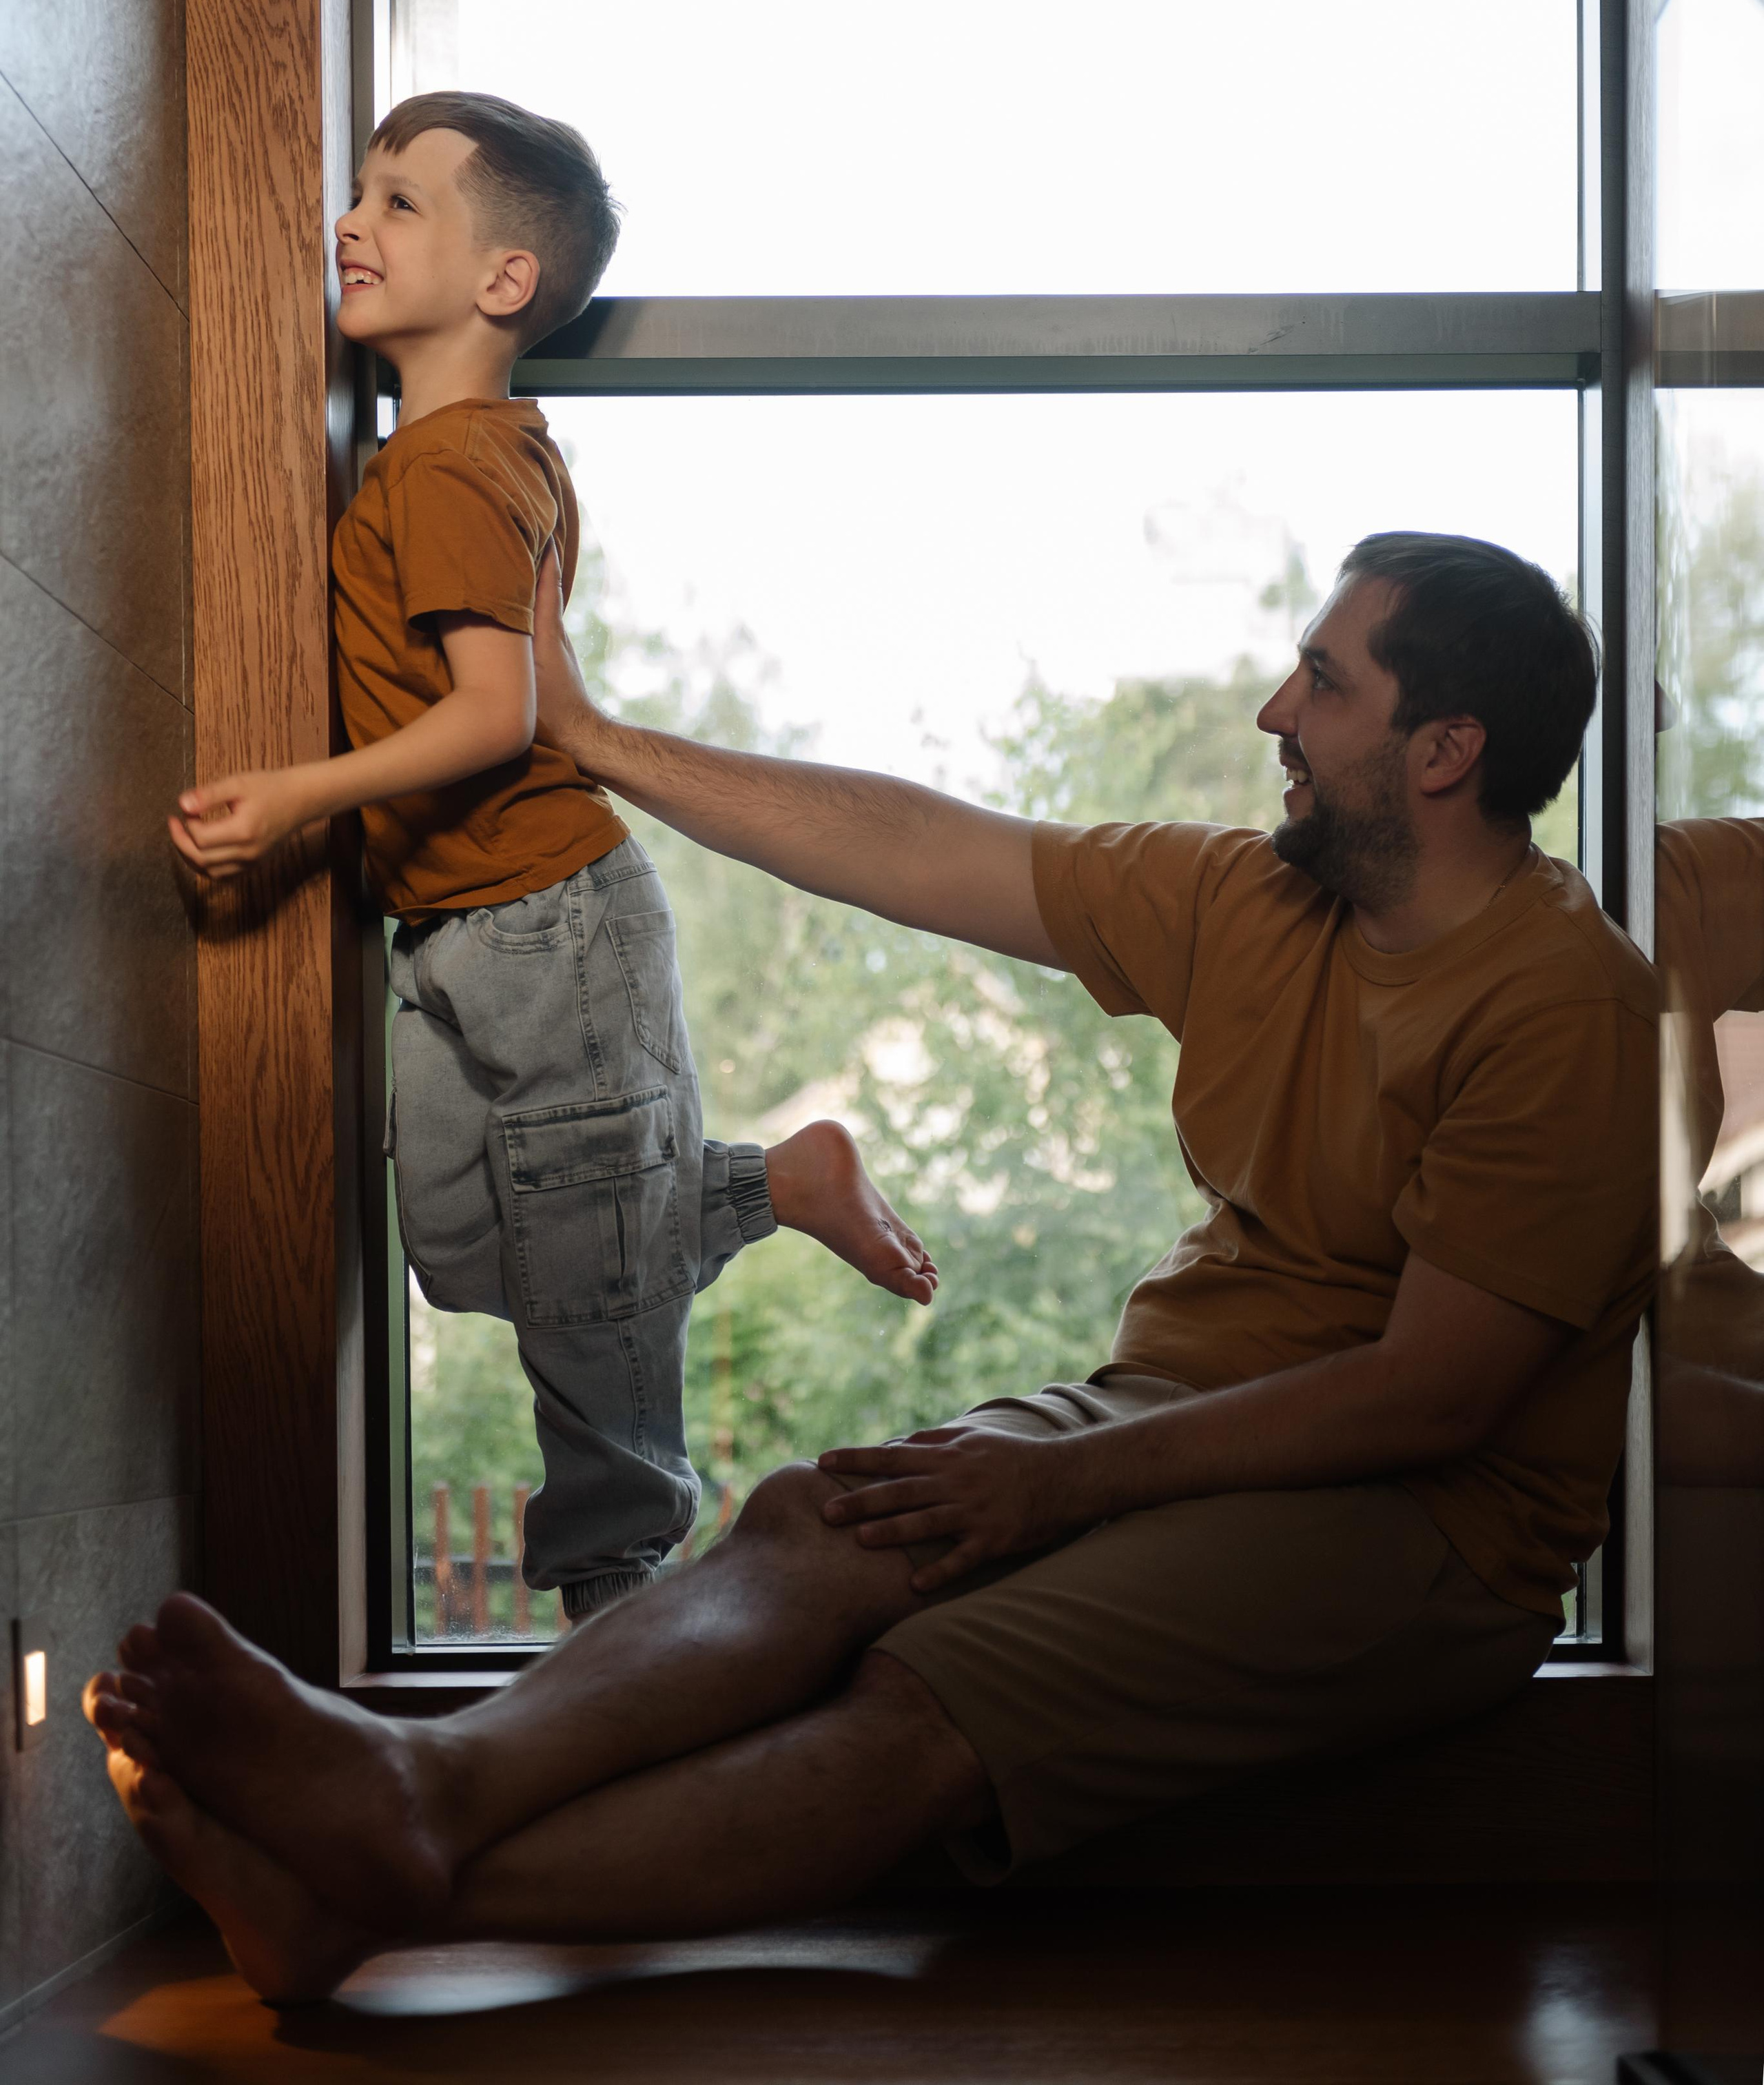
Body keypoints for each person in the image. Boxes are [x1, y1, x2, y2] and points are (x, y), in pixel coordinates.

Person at [92, 529, 1657, 2002]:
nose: (1276, 711)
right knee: (817, 1517)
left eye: (1323, 681)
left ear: (1443, 750)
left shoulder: (1561, 1004)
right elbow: (918, 845)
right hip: (1182, 1409)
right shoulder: (1256, 899)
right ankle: (415, 1783)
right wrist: (595, 738)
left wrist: (1058, 1482)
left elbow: (1432, 1396)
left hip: (1430, 1519)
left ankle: (383, 1891)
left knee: (930, 1685)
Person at [165, 90, 934, 1620]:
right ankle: (773, 1181)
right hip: (461, 927)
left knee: (590, 1301)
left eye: (398, 203)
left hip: (546, 921)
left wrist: (301, 795)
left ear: (505, 280)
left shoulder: (454, 464)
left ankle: (616, 1595)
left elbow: (497, 716)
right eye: (360, 195)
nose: (349, 224)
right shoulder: (452, 455)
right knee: (466, 1251)